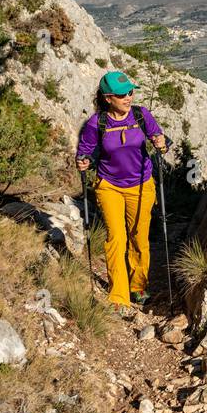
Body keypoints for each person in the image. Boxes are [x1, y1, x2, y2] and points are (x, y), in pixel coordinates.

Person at [75, 71, 167, 314]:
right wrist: (83, 161)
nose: (128, 97)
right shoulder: (97, 123)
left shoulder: (140, 115)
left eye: (130, 92)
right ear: (108, 98)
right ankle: (118, 294)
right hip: (109, 187)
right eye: (121, 95)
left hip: (141, 185)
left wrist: (161, 142)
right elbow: (84, 151)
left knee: (139, 237)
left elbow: (160, 138)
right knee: (116, 238)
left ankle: (138, 286)